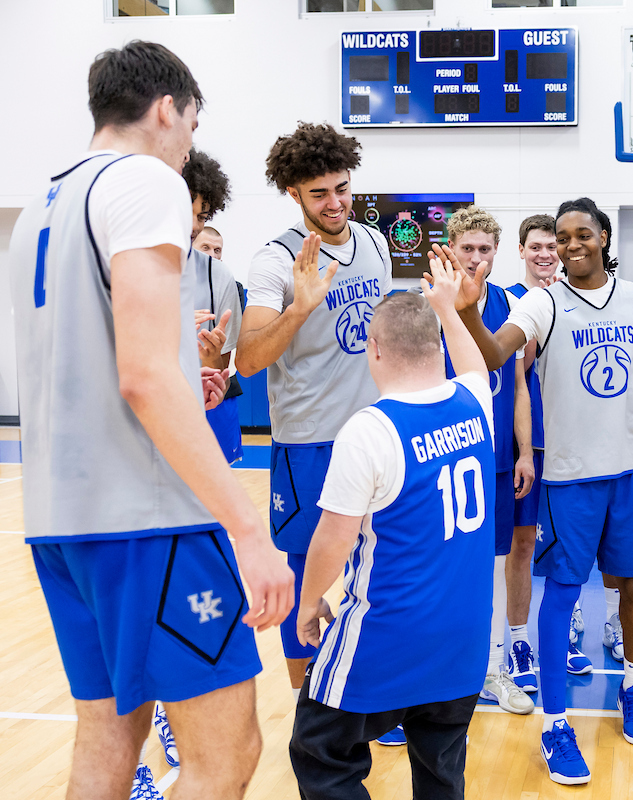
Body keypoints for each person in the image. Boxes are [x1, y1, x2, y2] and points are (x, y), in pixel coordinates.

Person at [10, 41, 292, 800]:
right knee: (226, 754)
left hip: (60, 522)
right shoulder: (145, 180)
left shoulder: (41, 205)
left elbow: (99, 365)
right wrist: (247, 530)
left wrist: (183, 371)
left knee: (110, 737)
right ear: (167, 108)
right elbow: (142, 375)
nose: (190, 144)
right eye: (192, 124)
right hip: (149, 519)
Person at [444, 197, 633, 785]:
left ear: (604, 236)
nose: (570, 245)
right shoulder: (543, 302)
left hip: (631, 470)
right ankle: (556, 724)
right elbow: (493, 354)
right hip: (569, 477)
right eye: (561, 237)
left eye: (582, 234)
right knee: (560, 594)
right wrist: (468, 311)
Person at [289, 259, 493, 800]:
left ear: (373, 349)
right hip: (464, 639)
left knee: (319, 752)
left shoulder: (370, 429)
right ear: (437, 345)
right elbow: (474, 364)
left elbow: (333, 537)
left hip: (388, 635)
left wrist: (309, 602)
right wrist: (447, 307)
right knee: (441, 773)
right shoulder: (475, 402)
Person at [237, 122, 392, 699]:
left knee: (376, 571)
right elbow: (248, 359)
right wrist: (299, 309)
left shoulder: (374, 242)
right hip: (308, 443)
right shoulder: (275, 261)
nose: (335, 203)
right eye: (319, 193)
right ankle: (309, 712)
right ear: (293, 193)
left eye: (342, 188)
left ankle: (369, 695)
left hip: (375, 436)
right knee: (307, 579)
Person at [440, 205, 536, 717]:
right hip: (441, 460)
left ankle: (494, 669)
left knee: (497, 565)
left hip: (496, 459)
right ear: (450, 250)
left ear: (497, 253)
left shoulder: (509, 304)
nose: (476, 257)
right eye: (467, 248)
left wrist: (525, 452)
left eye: (484, 249)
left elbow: (518, 386)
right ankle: (440, 672)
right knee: (442, 566)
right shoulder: (428, 303)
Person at [505, 214, 593, 692]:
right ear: (521, 250)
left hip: (571, 440)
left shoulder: (578, 299)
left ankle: (565, 634)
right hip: (527, 441)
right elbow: (517, 371)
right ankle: (518, 642)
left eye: (551, 246)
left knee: (568, 546)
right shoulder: (510, 302)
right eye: (535, 246)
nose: (545, 254)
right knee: (521, 545)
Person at [183, 148, 244, 466]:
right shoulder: (122, 266)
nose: (194, 225)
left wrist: (209, 355)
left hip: (202, 408)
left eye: (202, 217)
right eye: (187, 212)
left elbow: (221, 371)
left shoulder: (217, 275)